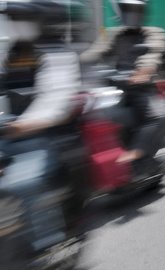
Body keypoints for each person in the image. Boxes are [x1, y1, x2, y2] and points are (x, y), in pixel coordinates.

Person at [0, 0, 84, 245]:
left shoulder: (56, 51)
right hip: (13, 134)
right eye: (13, 18)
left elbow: (55, 102)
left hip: (48, 138)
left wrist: (20, 126)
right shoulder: (14, 52)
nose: (16, 24)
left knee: (21, 182)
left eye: (22, 18)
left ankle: (46, 244)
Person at [80, 0, 165, 176]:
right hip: (116, 87)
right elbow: (96, 51)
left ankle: (138, 153)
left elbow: (153, 52)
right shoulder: (114, 33)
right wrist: (75, 62)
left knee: (156, 118)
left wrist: (143, 72)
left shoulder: (153, 33)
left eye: (135, 9)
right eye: (127, 9)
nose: (131, 13)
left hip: (142, 87)